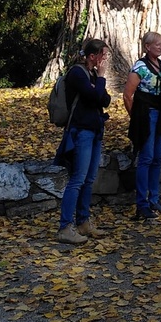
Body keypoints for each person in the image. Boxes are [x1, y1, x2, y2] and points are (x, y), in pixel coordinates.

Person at [55, 39, 111, 245]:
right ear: (92, 56)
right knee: (77, 179)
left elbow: (105, 100)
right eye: (103, 55)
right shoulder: (77, 73)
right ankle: (65, 227)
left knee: (89, 179)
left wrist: (98, 84)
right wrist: (101, 79)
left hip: (95, 130)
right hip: (81, 132)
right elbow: (94, 96)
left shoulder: (92, 74)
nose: (105, 59)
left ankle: (83, 221)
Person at [123, 31, 161, 222]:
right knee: (146, 158)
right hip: (146, 116)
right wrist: (135, 118)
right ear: (147, 47)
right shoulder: (140, 67)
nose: (160, 47)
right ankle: (142, 204)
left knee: (157, 157)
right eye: (157, 44)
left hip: (160, 116)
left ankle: (154, 199)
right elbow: (127, 95)